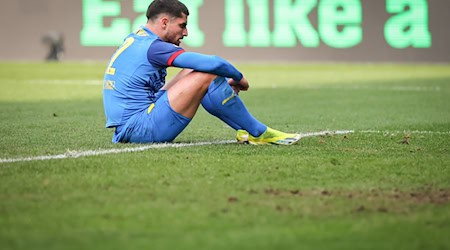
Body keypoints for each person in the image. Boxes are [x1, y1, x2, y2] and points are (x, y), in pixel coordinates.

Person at [103, 0, 301, 145]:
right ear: (164, 22)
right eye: (182, 25)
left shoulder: (137, 39)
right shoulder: (154, 47)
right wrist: (240, 78)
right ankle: (259, 131)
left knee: (195, 70)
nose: (186, 32)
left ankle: (245, 129)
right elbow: (214, 63)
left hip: (132, 124)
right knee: (209, 72)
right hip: (141, 128)